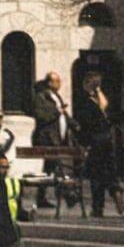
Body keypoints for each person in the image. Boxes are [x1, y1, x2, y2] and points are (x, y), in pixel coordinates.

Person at [77, 70, 124, 216]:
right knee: (110, 170)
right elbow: (119, 116)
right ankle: (115, 189)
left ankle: (98, 208)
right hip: (109, 140)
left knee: (96, 175)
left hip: (95, 141)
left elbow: (85, 125)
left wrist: (83, 143)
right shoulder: (106, 100)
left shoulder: (85, 103)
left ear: (87, 85)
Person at [33, 69, 75, 208]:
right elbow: (41, 116)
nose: (59, 83)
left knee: (50, 168)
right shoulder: (41, 97)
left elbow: (64, 115)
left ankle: (44, 196)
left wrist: (75, 125)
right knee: (55, 167)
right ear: (49, 82)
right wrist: (58, 112)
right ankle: (67, 194)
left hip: (59, 138)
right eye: (56, 81)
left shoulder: (56, 96)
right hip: (48, 139)